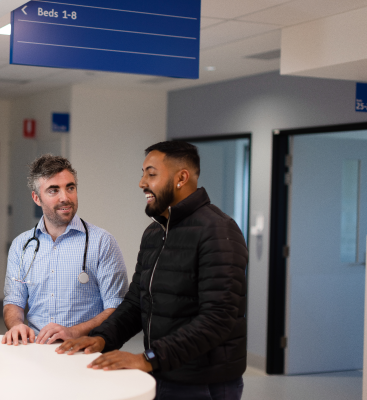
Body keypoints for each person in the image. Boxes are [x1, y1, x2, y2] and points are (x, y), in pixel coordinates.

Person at [56, 141, 248, 400]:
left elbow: (218, 319)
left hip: (203, 382)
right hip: (164, 371)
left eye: (151, 173)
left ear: (181, 178)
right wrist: (102, 338)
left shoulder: (218, 231)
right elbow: (137, 302)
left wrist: (149, 358)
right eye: (143, 173)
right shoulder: (155, 232)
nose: (142, 182)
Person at [2, 154, 129, 346]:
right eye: (53, 190)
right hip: (36, 350)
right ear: (37, 198)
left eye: (70, 188)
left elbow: (117, 307)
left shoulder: (102, 242)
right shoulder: (22, 245)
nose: (65, 197)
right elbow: (14, 301)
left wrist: (74, 332)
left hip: (84, 349)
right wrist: (16, 325)